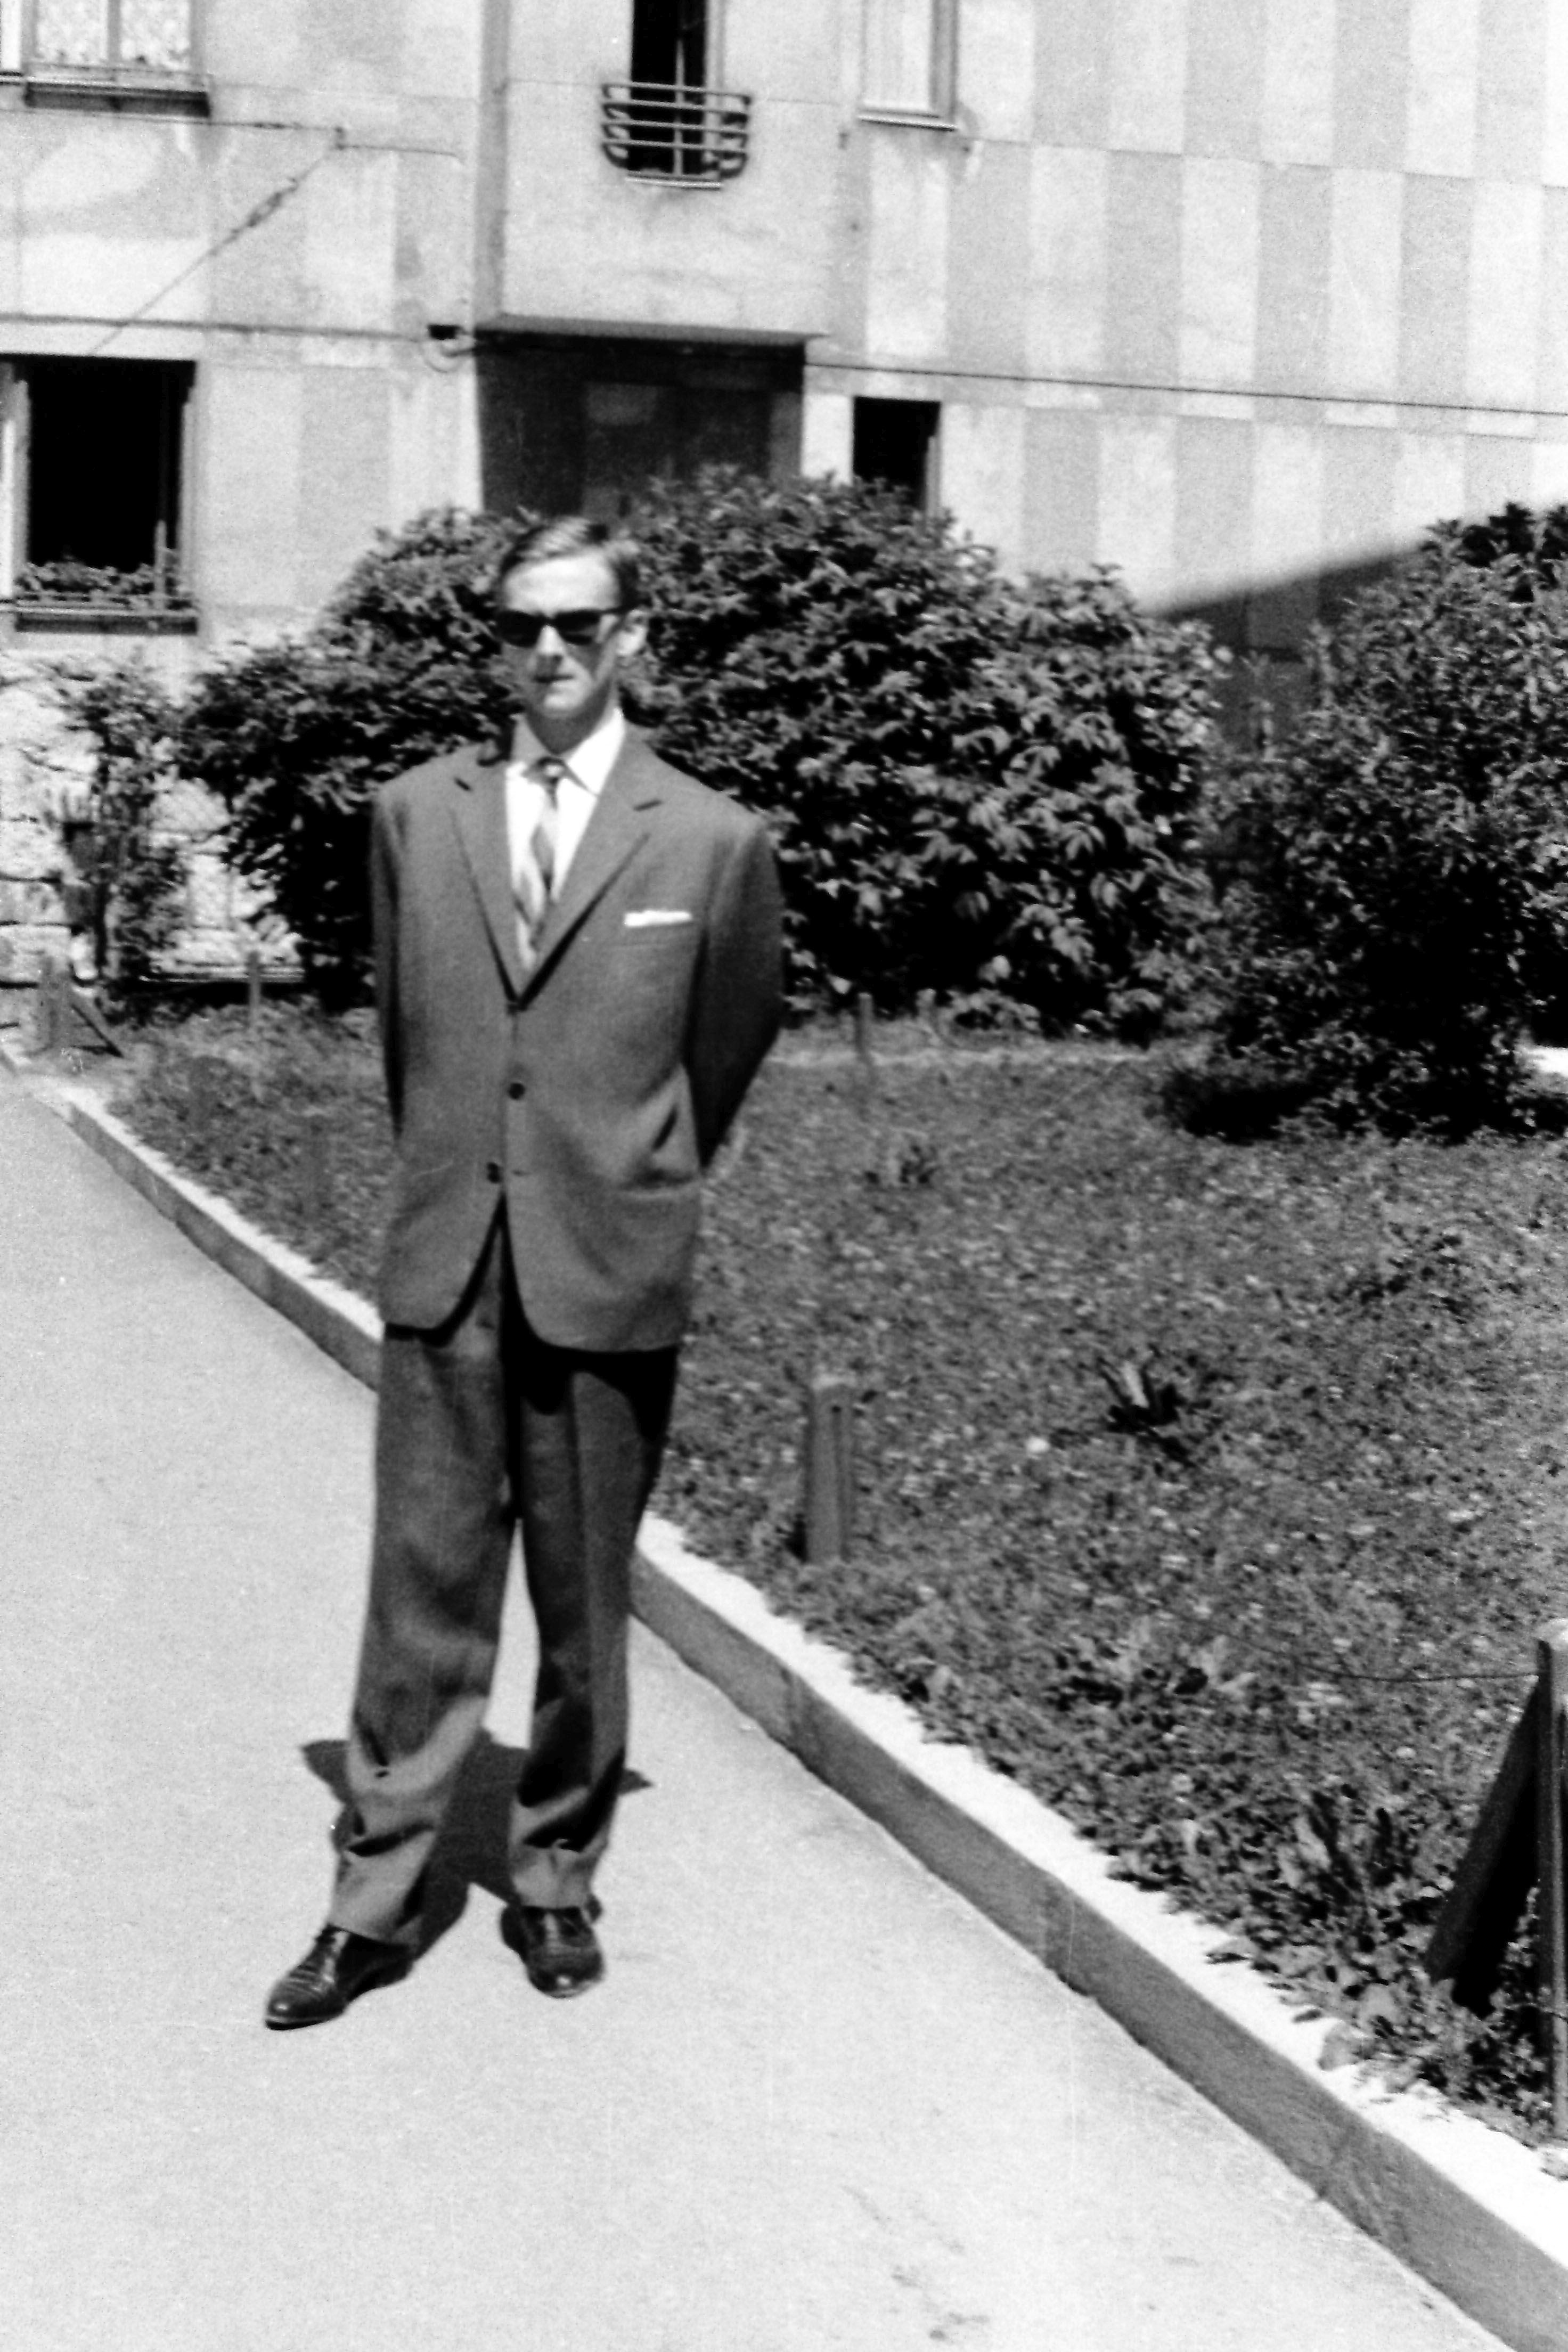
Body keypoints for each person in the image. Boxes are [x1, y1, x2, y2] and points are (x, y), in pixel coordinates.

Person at [265, 516, 783, 2025]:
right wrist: (464, 1171)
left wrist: (630, 1170)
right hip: (451, 1258)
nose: (546, 650)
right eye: (518, 626)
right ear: (493, 643)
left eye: (577, 624)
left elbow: (724, 1044)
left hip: (606, 1257)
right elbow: (413, 1039)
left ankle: (555, 1873)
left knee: (581, 1598)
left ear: (632, 638)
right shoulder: (414, 816)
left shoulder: (711, 839)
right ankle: (375, 1900)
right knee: (418, 1592)